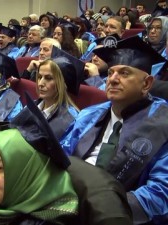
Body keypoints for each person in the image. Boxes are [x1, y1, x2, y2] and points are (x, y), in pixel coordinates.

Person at [61, 36, 168, 224]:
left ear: (147, 84)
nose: (113, 79)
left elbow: (160, 193)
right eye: (110, 73)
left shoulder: (162, 124)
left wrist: (101, 209)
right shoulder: (89, 114)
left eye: (124, 73)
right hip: (68, 202)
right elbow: (62, 155)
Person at [32, 53, 80, 139]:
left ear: (63, 84)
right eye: (39, 77)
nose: (40, 83)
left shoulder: (71, 119)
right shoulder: (32, 106)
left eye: (48, 78)